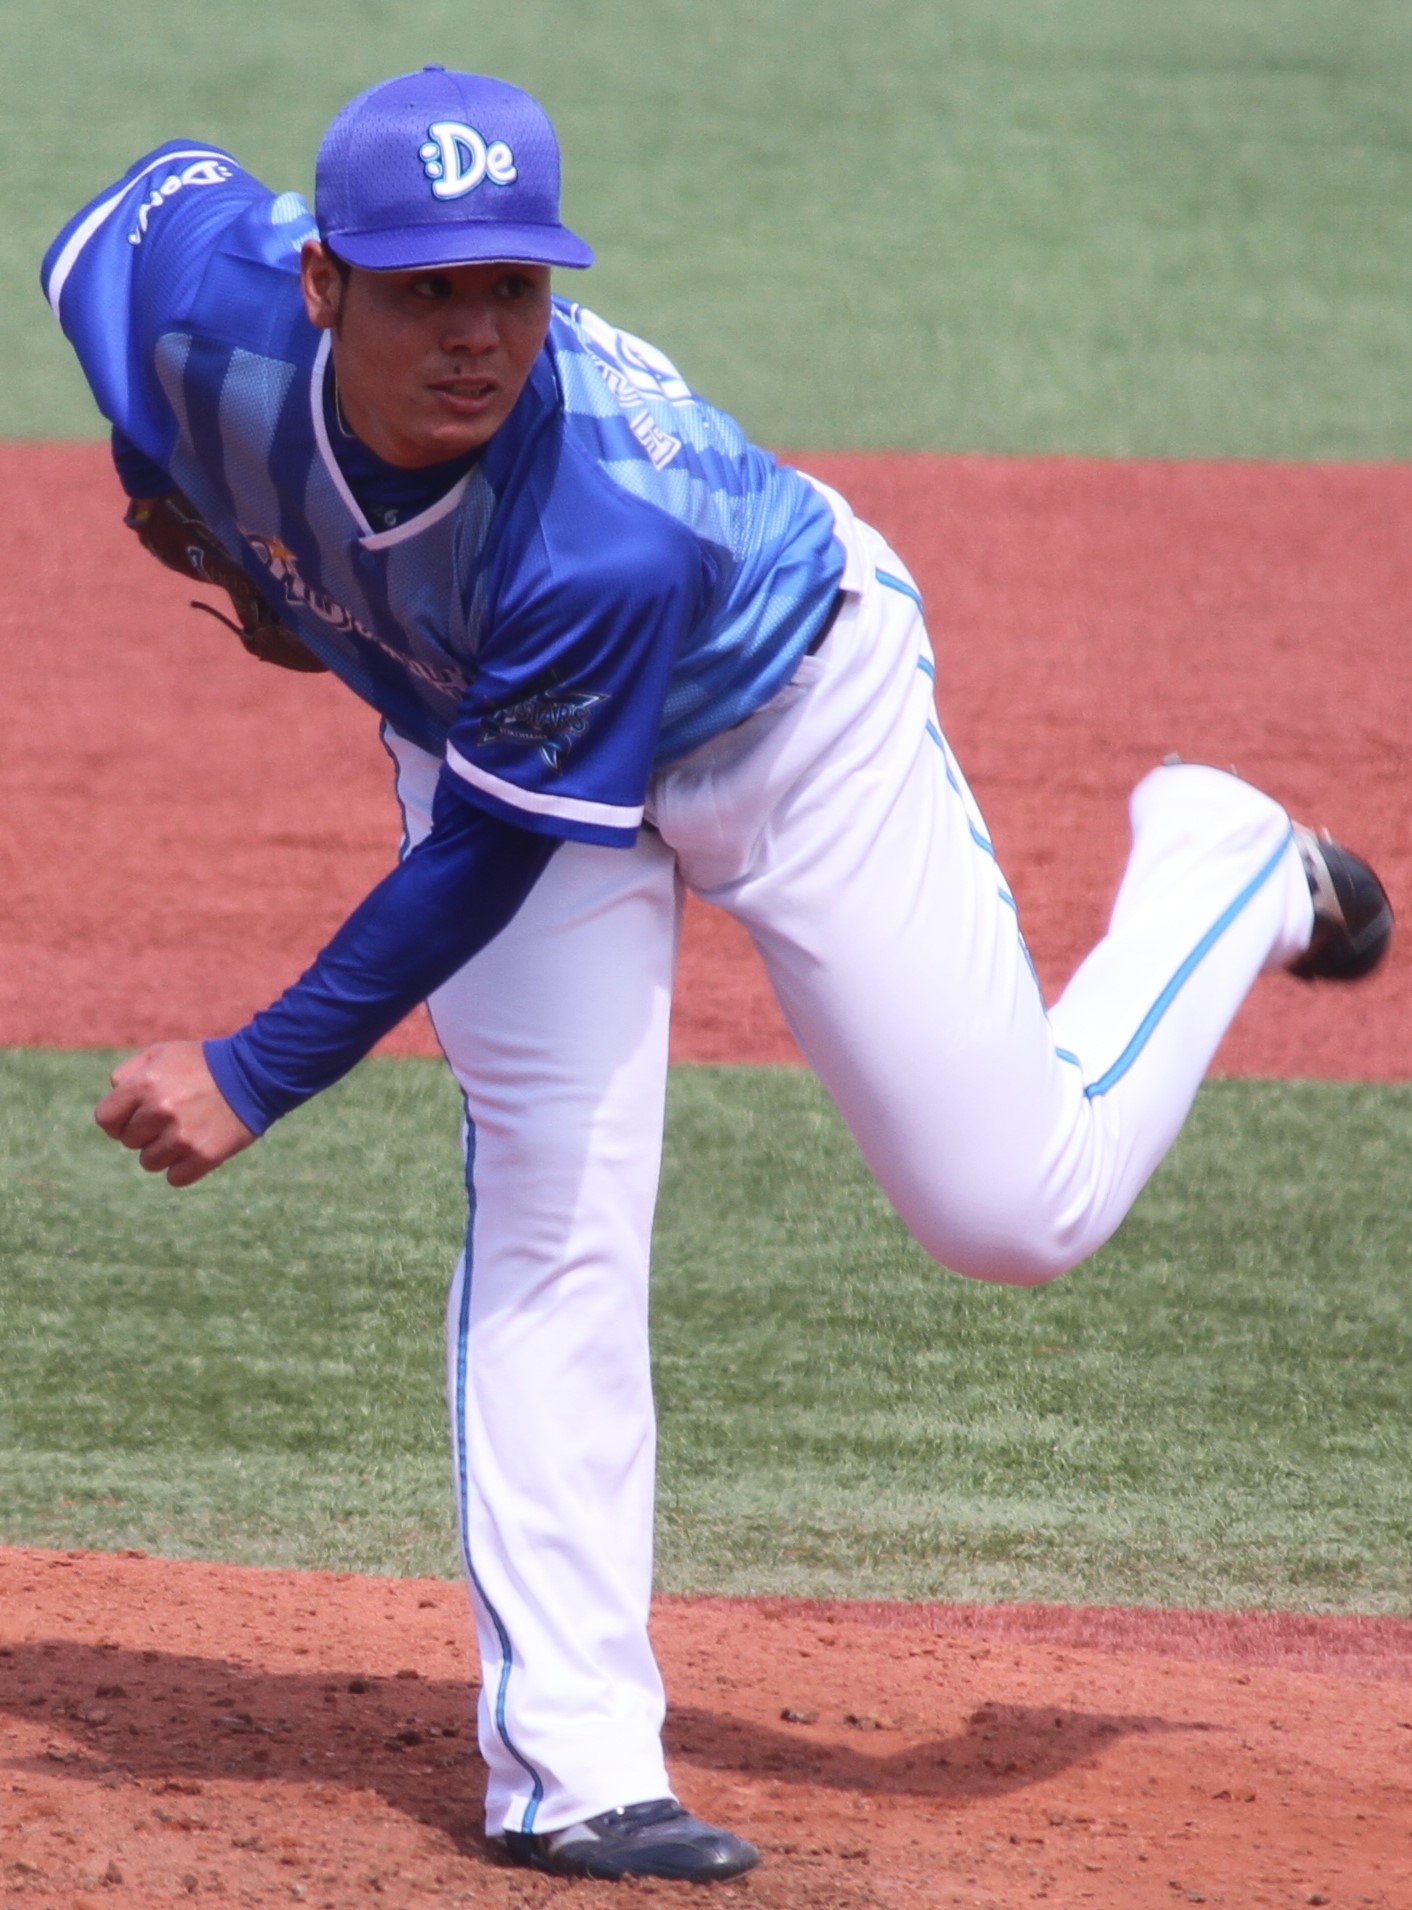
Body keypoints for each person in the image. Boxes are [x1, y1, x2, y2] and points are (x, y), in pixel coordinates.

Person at [42, 66, 1392, 1885]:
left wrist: (258, 1067)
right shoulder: (192, 295)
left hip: (785, 714)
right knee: (553, 1206)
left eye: (512, 287)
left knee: (1018, 1209)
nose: (477, 333)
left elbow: (483, 858)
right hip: (501, 728)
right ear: (319, 278)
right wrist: (183, 484)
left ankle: (1223, 868)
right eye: (429, 286)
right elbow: (108, 228)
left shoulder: (597, 516)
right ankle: (576, 1764)